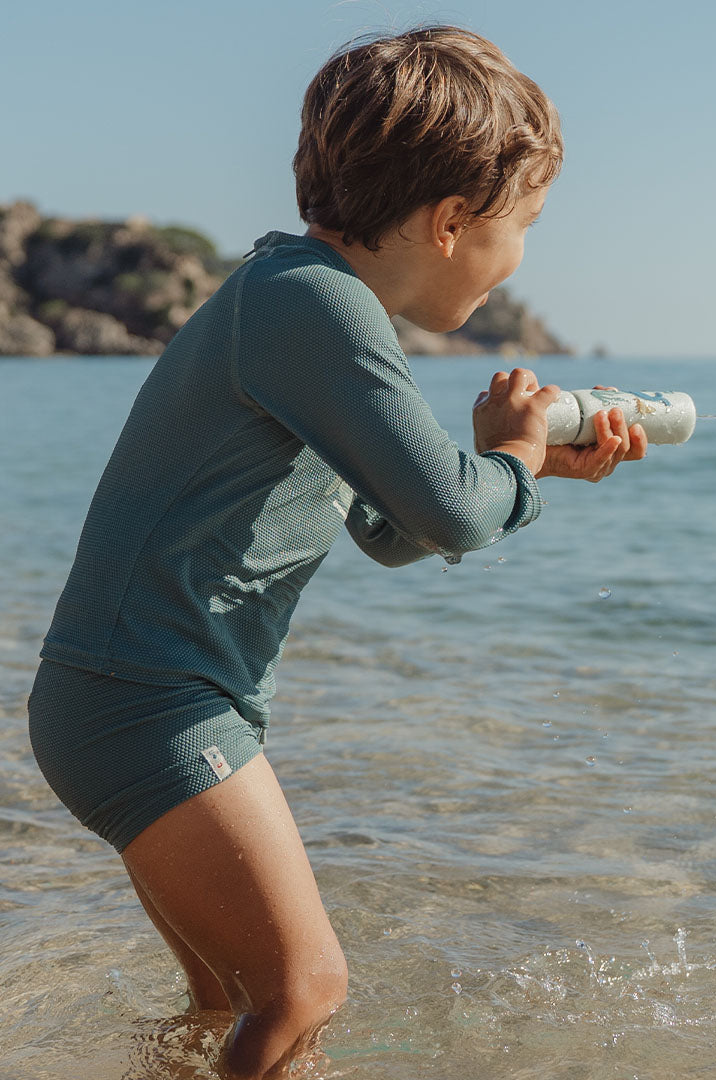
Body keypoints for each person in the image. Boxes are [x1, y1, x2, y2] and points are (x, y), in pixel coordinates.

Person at [27, 25, 646, 1080]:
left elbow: (392, 533)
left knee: (227, 1004)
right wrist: (510, 459)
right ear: (453, 222)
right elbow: (453, 516)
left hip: (125, 700)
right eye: (527, 223)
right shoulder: (313, 304)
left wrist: (526, 473)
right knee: (307, 990)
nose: (524, 255)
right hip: (150, 704)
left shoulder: (299, 296)